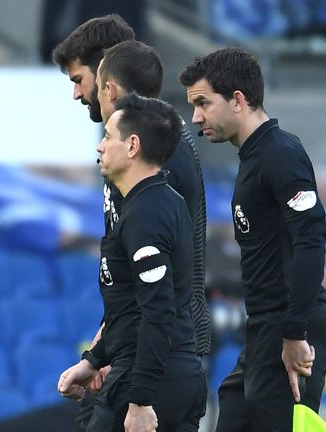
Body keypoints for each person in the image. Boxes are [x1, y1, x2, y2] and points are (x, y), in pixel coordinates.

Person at [179, 47, 326, 431]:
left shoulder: (281, 154)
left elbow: (310, 241)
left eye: (203, 103)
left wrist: (294, 332)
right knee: (231, 413)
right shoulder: (253, 157)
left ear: (237, 100)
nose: (195, 117)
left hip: (292, 329)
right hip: (264, 330)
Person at [57, 93, 206, 432]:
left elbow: (158, 309)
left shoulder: (146, 215)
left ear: (133, 145)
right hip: (173, 373)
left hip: (149, 379)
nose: (100, 146)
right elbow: (133, 309)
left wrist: (140, 399)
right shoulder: (161, 202)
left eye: (108, 137)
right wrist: (94, 360)